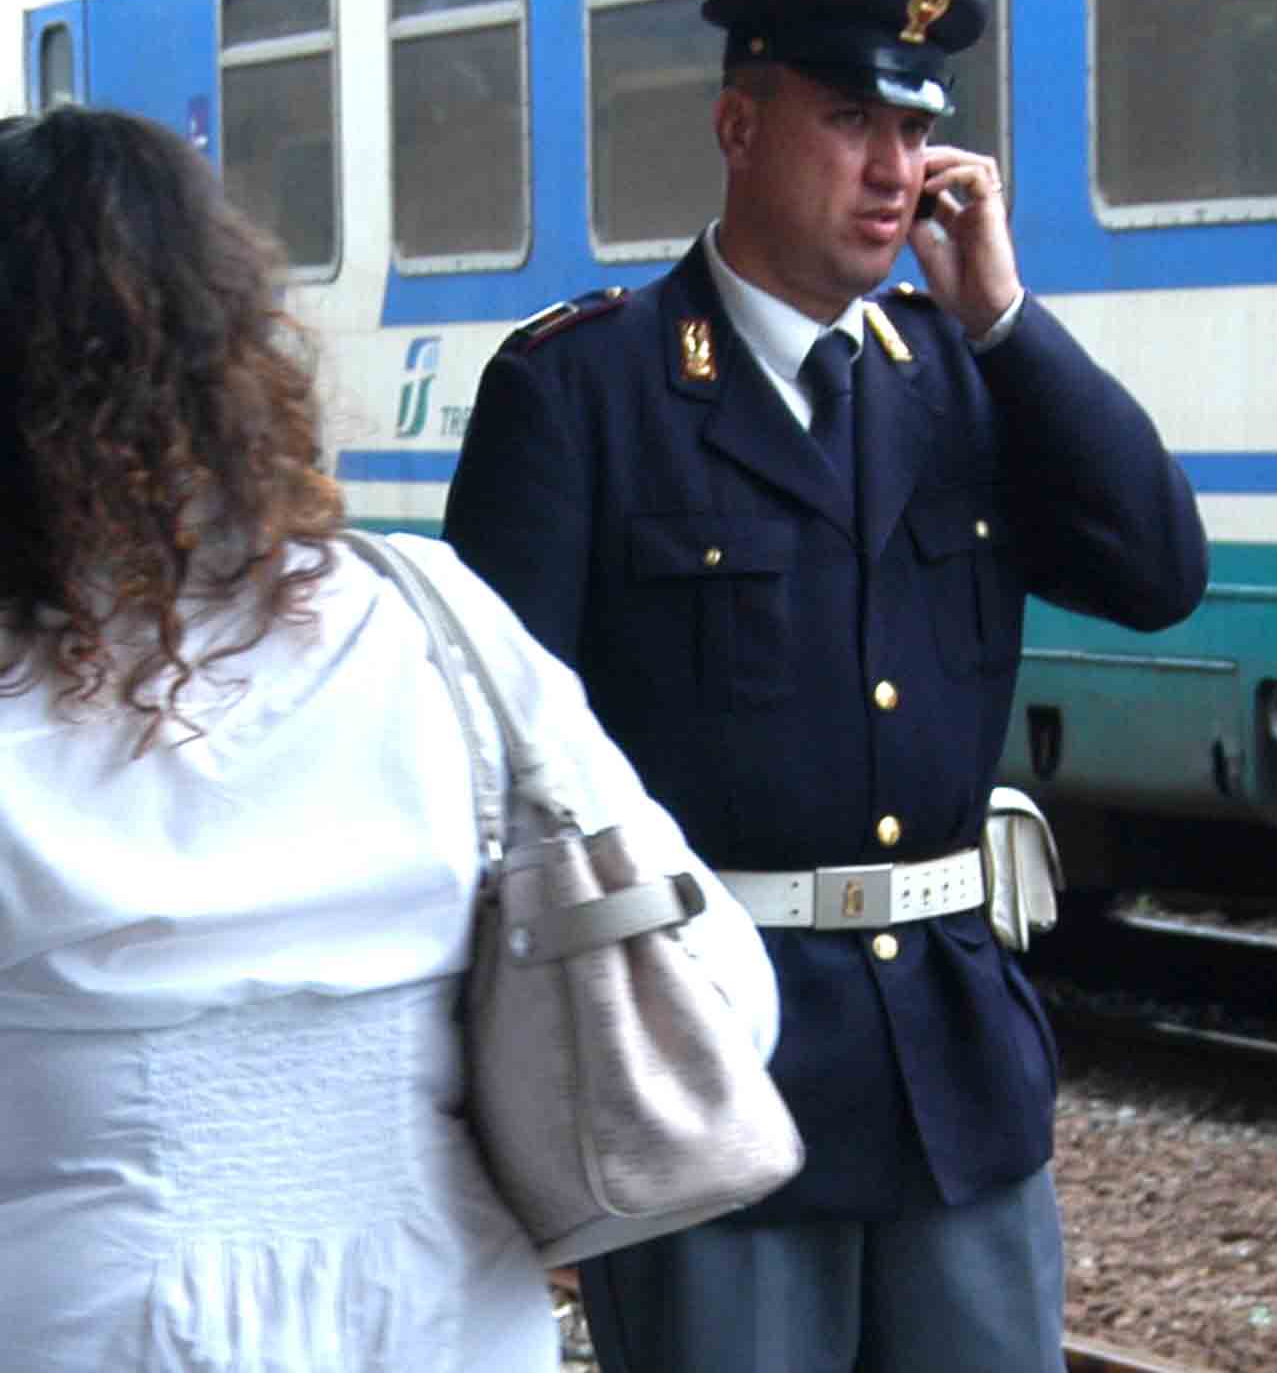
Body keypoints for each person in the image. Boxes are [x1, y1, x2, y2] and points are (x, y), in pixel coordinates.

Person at [442, 0, 1210, 1372]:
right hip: (707, 1067)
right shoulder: (584, 394)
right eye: (852, 121)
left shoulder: (962, 373)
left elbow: (1158, 572)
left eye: (918, 135)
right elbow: (490, 781)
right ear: (741, 130)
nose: (895, 171)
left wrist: (1006, 319)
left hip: (951, 1073)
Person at [0, 105, 778, 1370]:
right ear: (235, 349)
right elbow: (724, 991)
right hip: (440, 1308)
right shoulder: (429, 621)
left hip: (84, 1317)